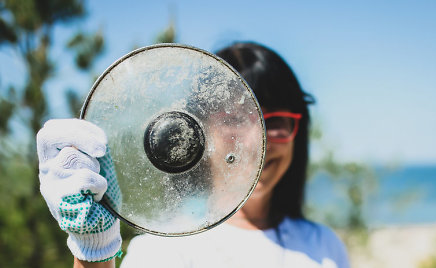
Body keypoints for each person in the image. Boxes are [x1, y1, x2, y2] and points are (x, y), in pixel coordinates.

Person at [36, 42, 350, 268]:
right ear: (199, 129)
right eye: (234, 119)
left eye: (276, 122)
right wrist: (94, 249)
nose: (258, 143)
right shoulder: (162, 250)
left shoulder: (323, 247)